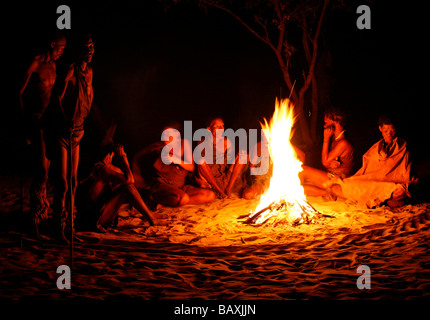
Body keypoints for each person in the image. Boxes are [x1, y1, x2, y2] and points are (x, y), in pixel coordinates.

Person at [45, 33, 95, 242]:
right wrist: (65, 119)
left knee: (73, 181)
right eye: (86, 47)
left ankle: (70, 229)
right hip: (63, 132)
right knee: (63, 182)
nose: (90, 50)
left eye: (92, 46)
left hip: (78, 130)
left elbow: (89, 94)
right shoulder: (70, 70)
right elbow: (56, 96)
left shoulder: (89, 71)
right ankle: (58, 227)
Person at [18, 32, 66, 239]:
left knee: (48, 170)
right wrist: (22, 124)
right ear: (52, 44)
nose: (62, 53)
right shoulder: (34, 64)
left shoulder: (54, 66)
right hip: (35, 122)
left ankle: (42, 216)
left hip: (50, 124)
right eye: (61, 48)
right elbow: (16, 93)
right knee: (41, 172)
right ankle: (34, 224)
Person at [328, 115, 416, 208]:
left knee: (399, 193)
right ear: (380, 129)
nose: (389, 133)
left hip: (391, 185)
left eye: (392, 130)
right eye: (386, 131)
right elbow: (366, 172)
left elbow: (406, 173)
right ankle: (383, 200)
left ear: (396, 129)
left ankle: (383, 199)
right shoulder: (375, 149)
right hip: (374, 183)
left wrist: (408, 183)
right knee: (339, 188)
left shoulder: (403, 147)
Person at [76, 143, 166, 231]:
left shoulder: (106, 167)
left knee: (127, 186)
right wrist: (123, 158)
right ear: (108, 155)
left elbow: (123, 177)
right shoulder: (100, 169)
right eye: (112, 155)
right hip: (92, 219)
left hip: (94, 215)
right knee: (128, 188)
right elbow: (130, 180)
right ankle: (151, 219)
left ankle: (149, 214)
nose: (111, 158)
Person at [137, 124, 215, 207]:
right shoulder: (159, 149)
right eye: (165, 135)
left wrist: (177, 160)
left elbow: (191, 167)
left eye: (170, 134)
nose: (167, 137)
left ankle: (167, 203)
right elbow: (143, 159)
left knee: (210, 195)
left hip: (181, 187)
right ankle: (166, 200)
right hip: (164, 186)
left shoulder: (183, 146)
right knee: (183, 198)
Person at [299, 108, 355, 197]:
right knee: (299, 182)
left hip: (339, 181)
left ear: (336, 122)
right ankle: (326, 193)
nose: (324, 122)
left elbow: (325, 162)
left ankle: (329, 192)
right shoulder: (335, 138)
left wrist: (326, 139)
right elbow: (327, 162)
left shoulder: (343, 143)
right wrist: (329, 162)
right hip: (330, 177)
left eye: (327, 119)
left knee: (302, 171)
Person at [195, 118, 247, 198]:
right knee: (200, 161)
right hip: (210, 179)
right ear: (209, 129)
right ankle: (219, 190)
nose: (221, 128)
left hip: (223, 176)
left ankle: (229, 188)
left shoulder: (226, 141)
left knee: (244, 155)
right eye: (217, 126)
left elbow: (231, 161)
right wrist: (199, 180)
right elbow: (198, 167)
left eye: (222, 125)